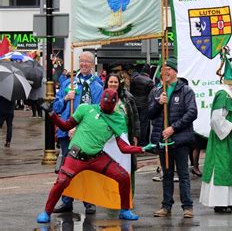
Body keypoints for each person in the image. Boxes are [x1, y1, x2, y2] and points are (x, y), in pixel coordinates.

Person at [36, 88, 156, 223]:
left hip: (97, 157)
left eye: (110, 105)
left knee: (123, 177)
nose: (107, 108)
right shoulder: (85, 109)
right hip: (76, 155)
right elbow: (65, 126)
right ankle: (47, 211)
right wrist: (51, 113)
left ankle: (125, 209)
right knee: (62, 181)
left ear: (115, 103)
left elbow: (123, 147)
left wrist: (142, 148)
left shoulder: (118, 119)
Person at [52, 51, 103, 214]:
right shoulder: (69, 83)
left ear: (93, 64)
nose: (84, 64)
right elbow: (56, 107)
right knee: (66, 169)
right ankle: (67, 201)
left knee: (87, 168)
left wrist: (79, 129)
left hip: (86, 135)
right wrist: (66, 98)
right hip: (66, 134)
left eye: (87, 62)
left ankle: (89, 202)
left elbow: (97, 112)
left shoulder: (97, 86)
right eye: (82, 61)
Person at [148, 56, 197, 218]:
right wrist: (157, 103)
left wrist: (173, 129)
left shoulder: (185, 91)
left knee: (183, 174)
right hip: (163, 141)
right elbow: (150, 114)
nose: (165, 72)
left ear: (175, 71)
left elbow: (192, 113)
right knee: (167, 174)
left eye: (168, 69)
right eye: (163, 69)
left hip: (180, 139)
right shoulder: (156, 91)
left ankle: (187, 207)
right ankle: (166, 206)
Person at [199, 49, 232, 213]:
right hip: (222, 140)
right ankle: (219, 203)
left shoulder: (230, 96)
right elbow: (216, 120)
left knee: (229, 167)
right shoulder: (223, 95)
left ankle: (230, 201)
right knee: (221, 168)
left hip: (229, 139)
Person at [104, 73, 140, 195]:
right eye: (111, 82)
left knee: (127, 166)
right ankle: (112, 195)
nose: (113, 84)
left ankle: (129, 195)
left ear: (119, 84)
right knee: (110, 167)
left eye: (115, 82)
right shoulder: (102, 97)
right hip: (108, 139)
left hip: (125, 138)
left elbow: (135, 117)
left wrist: (135, 135)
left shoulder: (128, 98)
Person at [130, 64, 155, 146]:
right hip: (145, 105)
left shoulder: (134, 79)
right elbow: (152, 95)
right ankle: (142, 142)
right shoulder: (150, 81)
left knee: (135, 123)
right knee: (143, 124)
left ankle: (134, 140)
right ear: (149, 72)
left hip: (134, 104)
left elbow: (131, 91)